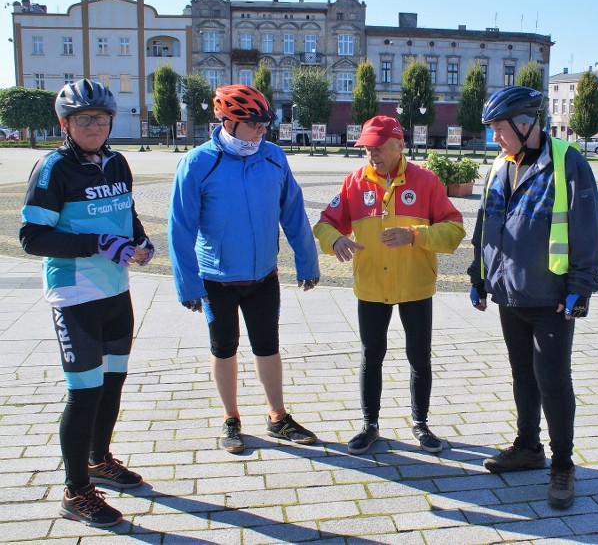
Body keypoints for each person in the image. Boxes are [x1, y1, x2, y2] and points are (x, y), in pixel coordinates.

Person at [20, 79, 155, 527]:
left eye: (100, 118)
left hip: (116, 291)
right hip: (75, 294)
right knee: (84, 394)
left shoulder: (117, 162)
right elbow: (32, 237)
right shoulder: (53, 169)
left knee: (112, 384)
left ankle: (99, 460)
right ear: (65, 123)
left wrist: (140, 240)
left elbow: (126, 212)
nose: (93, 125)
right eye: (83, 119)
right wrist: (99, 243)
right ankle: (76, 491)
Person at [468, 86, 598, 509]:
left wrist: (581, 286)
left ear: (526, 124)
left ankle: (562, 464)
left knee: (553, 379)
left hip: (552, 298)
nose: (495, 137)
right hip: (510, 294)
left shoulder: (567, 163)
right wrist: (478, 274)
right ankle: (528, 446)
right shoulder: (499, 165)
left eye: (500, 128)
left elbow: (585, 227)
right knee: (522, 375)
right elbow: (484, 223)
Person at [168, 84, 320, 454]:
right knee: (224, 349)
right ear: (227, 121)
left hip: (263, 274)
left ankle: (277, 416)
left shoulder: (272, 157)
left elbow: (293, 211)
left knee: (268, 346)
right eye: (253, 123)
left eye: (265, 123)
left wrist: (306, 260)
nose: (261, 130)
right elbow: (180, 227)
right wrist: (187, 284)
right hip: (216, 279)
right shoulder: (198, 162)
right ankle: (231, 418)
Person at [313, 115, 464, 455]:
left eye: (378, 148)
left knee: (419, 357)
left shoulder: (426, 181)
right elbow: (324, 222)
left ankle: (421, 423)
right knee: (371, 355)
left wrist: (415, 236)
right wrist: (335, 240)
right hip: (371, 286)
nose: (372, 155)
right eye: (367, 148)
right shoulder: (354, 183)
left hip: (415, 286)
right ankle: (370, 425)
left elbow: (454, 230)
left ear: (399, 146)